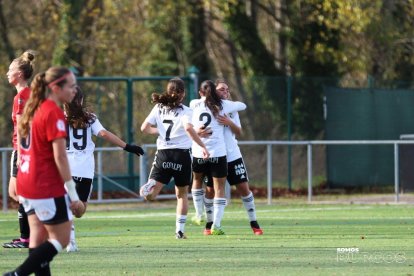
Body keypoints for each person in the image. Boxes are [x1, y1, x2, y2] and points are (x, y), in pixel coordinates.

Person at [3, 67, 85, 276]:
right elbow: (60, 157)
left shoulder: (32, 108)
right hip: (45, 185)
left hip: (27, 182)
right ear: (56, 88)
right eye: (71, 86)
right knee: (62, 238)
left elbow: (22, 149)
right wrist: (74, 196)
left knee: (37, 238)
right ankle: (18, 274)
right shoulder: (52, 112)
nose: (75, 90)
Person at [64, 87, 144, 252]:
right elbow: (103, 134)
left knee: (76, 209)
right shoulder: (90, 119)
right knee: (79, 210)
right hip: (84, 170)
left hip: (65, 169)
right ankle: (69, 238)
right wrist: (127, 146)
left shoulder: (58, 118)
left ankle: (66, 222)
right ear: (80, 100)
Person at [139, 77, 209, 239]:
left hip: (163, 154)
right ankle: (179, 231)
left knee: (151, 196)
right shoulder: (186, 111)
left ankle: (149, 185)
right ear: (183, 94)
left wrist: (160, 131)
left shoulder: (158, 108)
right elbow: (188, 129)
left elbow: (144, 128)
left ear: (167, 91)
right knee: (182, 195)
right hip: (181, 156)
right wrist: (203, 146)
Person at [202, 79, 263, 235]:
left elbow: (239, 132)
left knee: (243, 188)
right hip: (215, 155)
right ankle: (210, 224)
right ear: (214, 91)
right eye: (222, 89)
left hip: (232, 155)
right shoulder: (206, 108)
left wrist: (229, 122)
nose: (226, 92)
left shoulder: (231, 109)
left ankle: (254, 223)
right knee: (210, 191)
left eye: (227, 89)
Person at [190, 80, 246, 235]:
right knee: (219, 189)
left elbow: (188, 126)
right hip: (218, 153)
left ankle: (198, 214)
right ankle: (216, 225)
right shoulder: (223, 105)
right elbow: (243, 105)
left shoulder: (194, 104)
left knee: (197, 181)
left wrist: (197, 131)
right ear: (214, 92)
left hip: (199, 152)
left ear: (201, 93)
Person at [3, 50, 35, 249]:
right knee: (17, 193)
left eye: (10, 70)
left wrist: (21, 153)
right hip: (22, 148)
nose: (7, 73)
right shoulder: (24, 94)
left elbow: (25, 127)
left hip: (22, 149)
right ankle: (29, 235)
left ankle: (28, 237)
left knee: (18, 192)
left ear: (20, 74)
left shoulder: (22, 96)